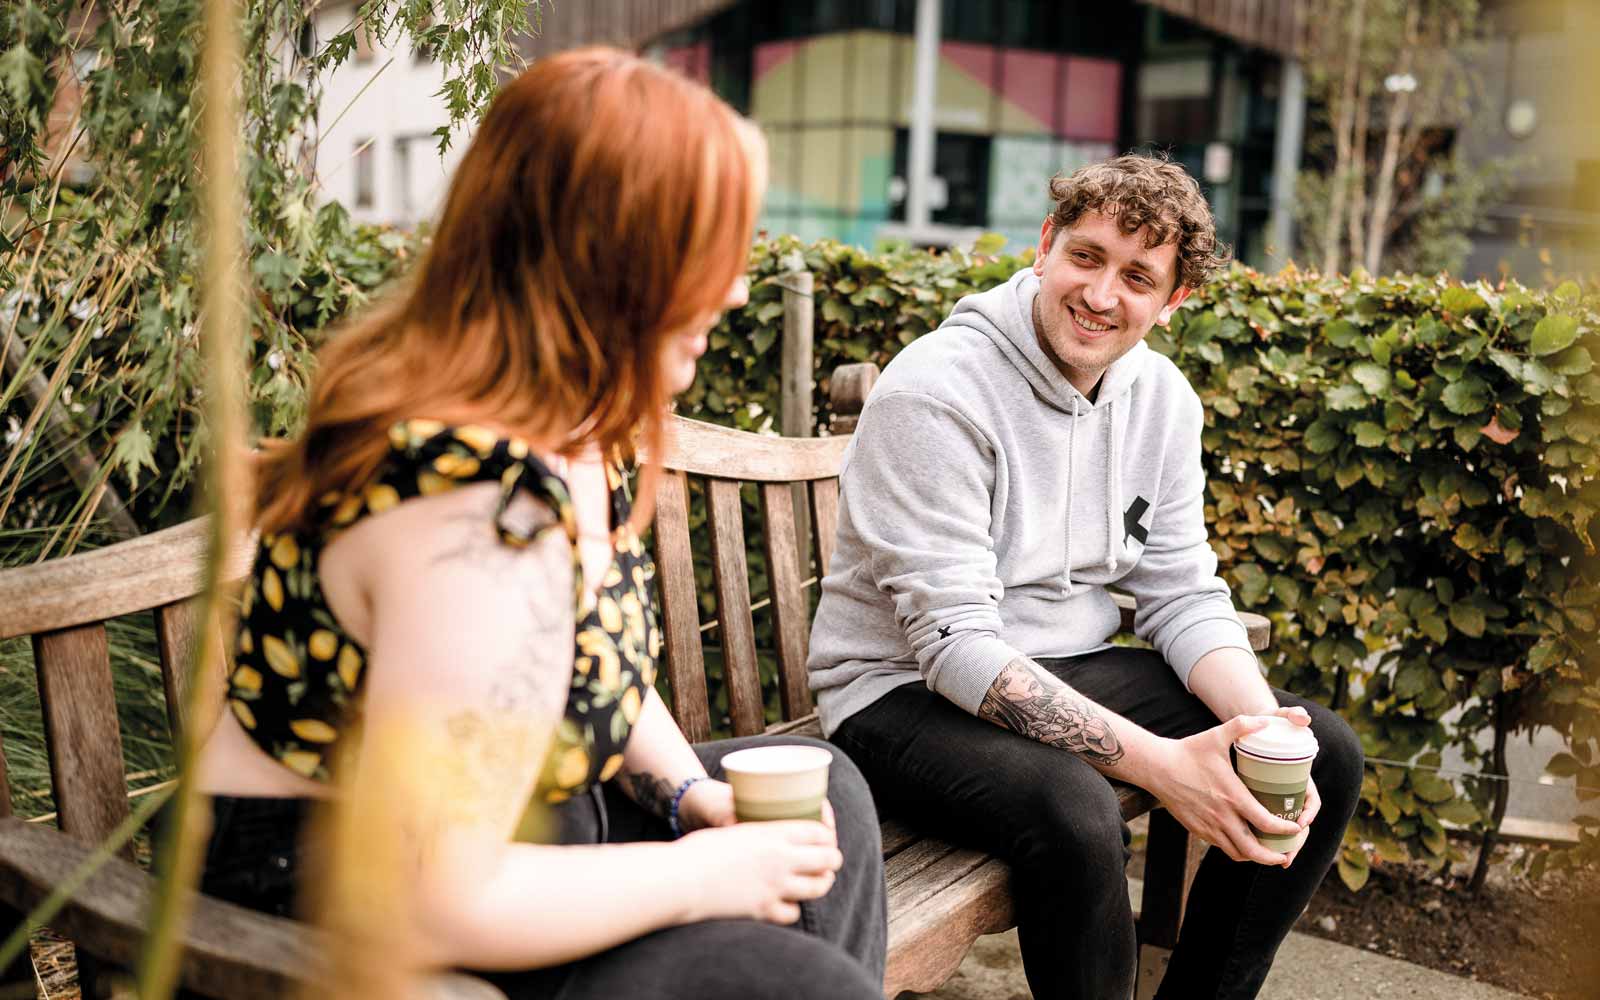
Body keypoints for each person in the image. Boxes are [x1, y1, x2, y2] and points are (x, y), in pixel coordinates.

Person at [182, 47, 885, 999]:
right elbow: (431, 899)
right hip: (339, 924)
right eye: (706, 251)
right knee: (799, 985)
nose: (731, 291)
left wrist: (691, 796)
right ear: (609, 257)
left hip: (513, 844)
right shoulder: (475, 511)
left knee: (824, 794)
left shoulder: (573, 429)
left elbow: (594, 661)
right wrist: (700, 873)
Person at [807, 154, 1363, 1000]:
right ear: (1045, 246)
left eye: (1137, 276)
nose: (1101, 295)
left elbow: (1181, 593)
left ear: (1173, 300)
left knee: (1318, 755)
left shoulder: (1163, 401)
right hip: (897, 694)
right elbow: (955, 648)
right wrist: (1166, 767)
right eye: (1086, 256)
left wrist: (1259, 730)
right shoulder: (937, 390)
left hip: (1061, 663)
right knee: (1076, 809)